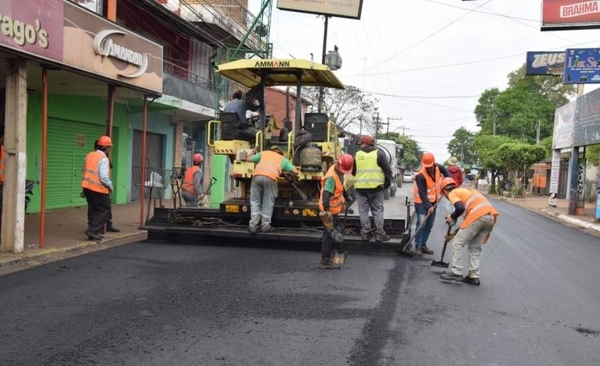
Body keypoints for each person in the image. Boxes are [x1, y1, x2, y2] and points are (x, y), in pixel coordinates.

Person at [439, 177, 499, 285]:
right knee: (474, 248)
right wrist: (453, 234)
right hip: (490, 218)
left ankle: (456, 272)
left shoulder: (453, 193)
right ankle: (474, 276)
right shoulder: (466, 192)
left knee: (457, 243)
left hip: (478, 217)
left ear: (444, 191)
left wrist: (451, 217)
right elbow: (468, 223)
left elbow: (460, 208)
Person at [246, 145, 298, 234]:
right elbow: (295, 171)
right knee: (267, 202)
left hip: (257, 177)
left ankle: (253, 227)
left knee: (255, 201)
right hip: (271, 178)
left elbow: (248, 159)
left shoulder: (263, 154)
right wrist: (290, 176)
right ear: (280, 153)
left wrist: (253, 150)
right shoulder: (282, 159)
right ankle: (265, 227)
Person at [352, 135, 393, 242]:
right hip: (376, 189)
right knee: (378, 211)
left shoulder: (357, 155)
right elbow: (388, 171)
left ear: (364, 143)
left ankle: (365, 233)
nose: (360, 146)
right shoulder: (379, 154)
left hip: (360, 189)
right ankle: (379, 234)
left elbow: (353, 172)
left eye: (361, 144)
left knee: (363, 211)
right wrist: (386, 185)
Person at [318, 153, 354, 270]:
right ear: (338, 165)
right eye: (343, 170)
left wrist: (346, 195)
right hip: (329, 210)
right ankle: (325, 261)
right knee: (329, 234)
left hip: (334, 209)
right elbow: (326, 195)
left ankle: (332, 252)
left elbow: (340, 186)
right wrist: (327, 212)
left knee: (339, 229)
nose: (344, 172)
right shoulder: (331, 178)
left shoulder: (338, 171)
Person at [411, 151, 450, 256]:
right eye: (426, 166)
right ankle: (418, 246)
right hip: (421, 202)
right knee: (421, 223)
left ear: (433, 163)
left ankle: (423, 244)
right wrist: (428, 206)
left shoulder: (438, 167)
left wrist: (448, 184)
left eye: (430, 166)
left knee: (429, 225)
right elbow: (422, 193)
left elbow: (447, 174)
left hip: (434, 201)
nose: (428, 168)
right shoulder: (420, 176)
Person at [81, 136, 114, 241]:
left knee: (93, 209)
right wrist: (110, 185)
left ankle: (92, 232)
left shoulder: (89, 155)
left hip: (87, 187)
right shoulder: (103, 159)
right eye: (109, 148)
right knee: (104, 209)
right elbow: (103, 176)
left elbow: (84, 170)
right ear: (107, 148)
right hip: (98, 188)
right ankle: (92, 230)